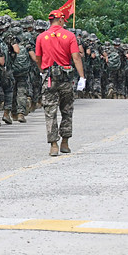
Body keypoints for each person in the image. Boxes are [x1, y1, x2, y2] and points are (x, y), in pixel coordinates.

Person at [33, 9, 85, 157]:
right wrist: (82, 77)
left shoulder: (41, 37)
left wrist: (42, 70)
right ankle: (65, 142)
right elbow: (76, 57)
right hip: (66, 78)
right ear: (61, 20)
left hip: (49, 78)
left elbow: (38, 58)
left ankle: (53, 145)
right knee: (67, 111)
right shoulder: (69, 36)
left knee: (50, 112)